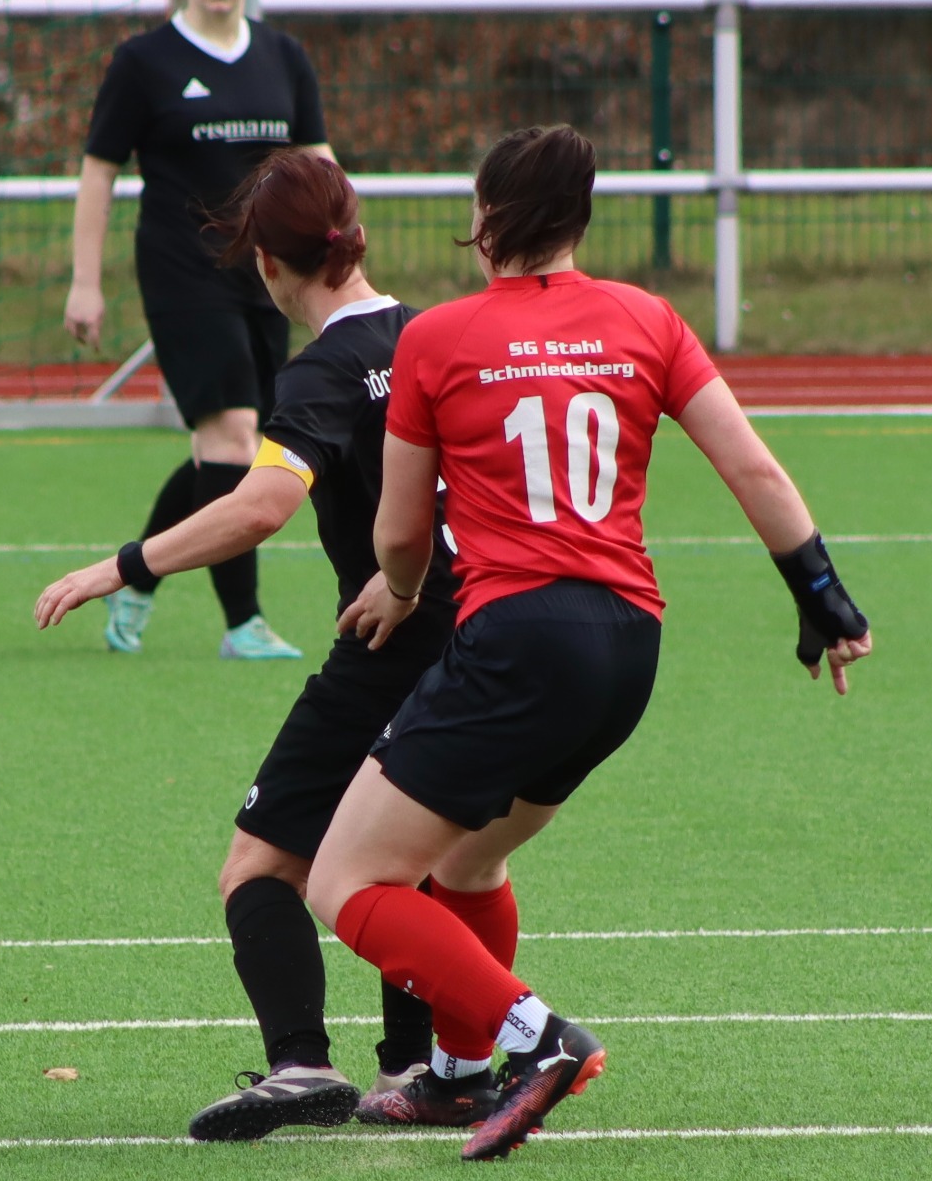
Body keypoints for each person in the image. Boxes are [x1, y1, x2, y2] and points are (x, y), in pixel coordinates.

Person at [303, 125, 875, 1161]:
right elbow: (752, 467)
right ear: (579, 219)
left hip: (518, 638)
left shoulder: (435, 336)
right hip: (625, 645)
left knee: (344, 883)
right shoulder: (646, 318)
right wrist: (821, 596)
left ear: (486, 219)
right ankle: (457, 1077)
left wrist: (403, 590)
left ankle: (537, 1038)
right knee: (468, 862)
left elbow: (399, 533)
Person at [39, 151, 499, 1141]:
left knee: (257, 868)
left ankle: (300, 1064)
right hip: (478, 634)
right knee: (408, 861)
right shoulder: (438, 333)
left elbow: (259, 507)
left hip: (389, 643)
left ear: (267, 266)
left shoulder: (323, 369)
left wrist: (124, 565)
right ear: (356, 236)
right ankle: (416, 1067)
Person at [65, 0, 332, 660]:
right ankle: (243, 623)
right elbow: (98, 172)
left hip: (268, 276)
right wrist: (85, 280)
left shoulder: (284, 57)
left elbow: (318, 163)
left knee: (232, 447)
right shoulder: (143, 62)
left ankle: (136, 579)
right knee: (234, 435)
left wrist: (341, 245)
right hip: (182, 272)